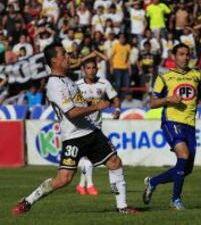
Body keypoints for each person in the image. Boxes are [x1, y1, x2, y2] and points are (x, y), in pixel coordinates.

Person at [12, 43, 138, 215]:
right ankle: (28, 201)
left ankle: (122, 207)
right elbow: (71, 113)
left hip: (91, 131)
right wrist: (97, 106)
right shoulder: (55, 84)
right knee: (63, 180)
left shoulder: (68, 80)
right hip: (74, 137)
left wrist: (91, 104)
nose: (67, 56)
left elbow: (79, 104)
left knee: (115, 162)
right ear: (54, 60)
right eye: (63, 54)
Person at [142, 43, 201, 210]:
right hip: (171, 122)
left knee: (186, 169)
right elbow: (152, 103)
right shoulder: (164, 77)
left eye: (187, 54)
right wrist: (167, 100)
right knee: (184, 154)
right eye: (181, 54)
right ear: (174, 56)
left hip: (190, 125)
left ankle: (153, 182)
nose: (185, 57)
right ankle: (175, 199)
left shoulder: (196, 75)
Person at [75, 59, 121, 196]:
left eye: (93, 67)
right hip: (80, 125)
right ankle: (89, 185)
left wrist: (117, 110)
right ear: (83, 70)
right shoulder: (76, 85)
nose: (91, 70)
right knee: (87, 157)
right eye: (88, 68)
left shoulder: (104, 83)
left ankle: (82, 185)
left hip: (96, 125)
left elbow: (115, 98)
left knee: (87, 158)